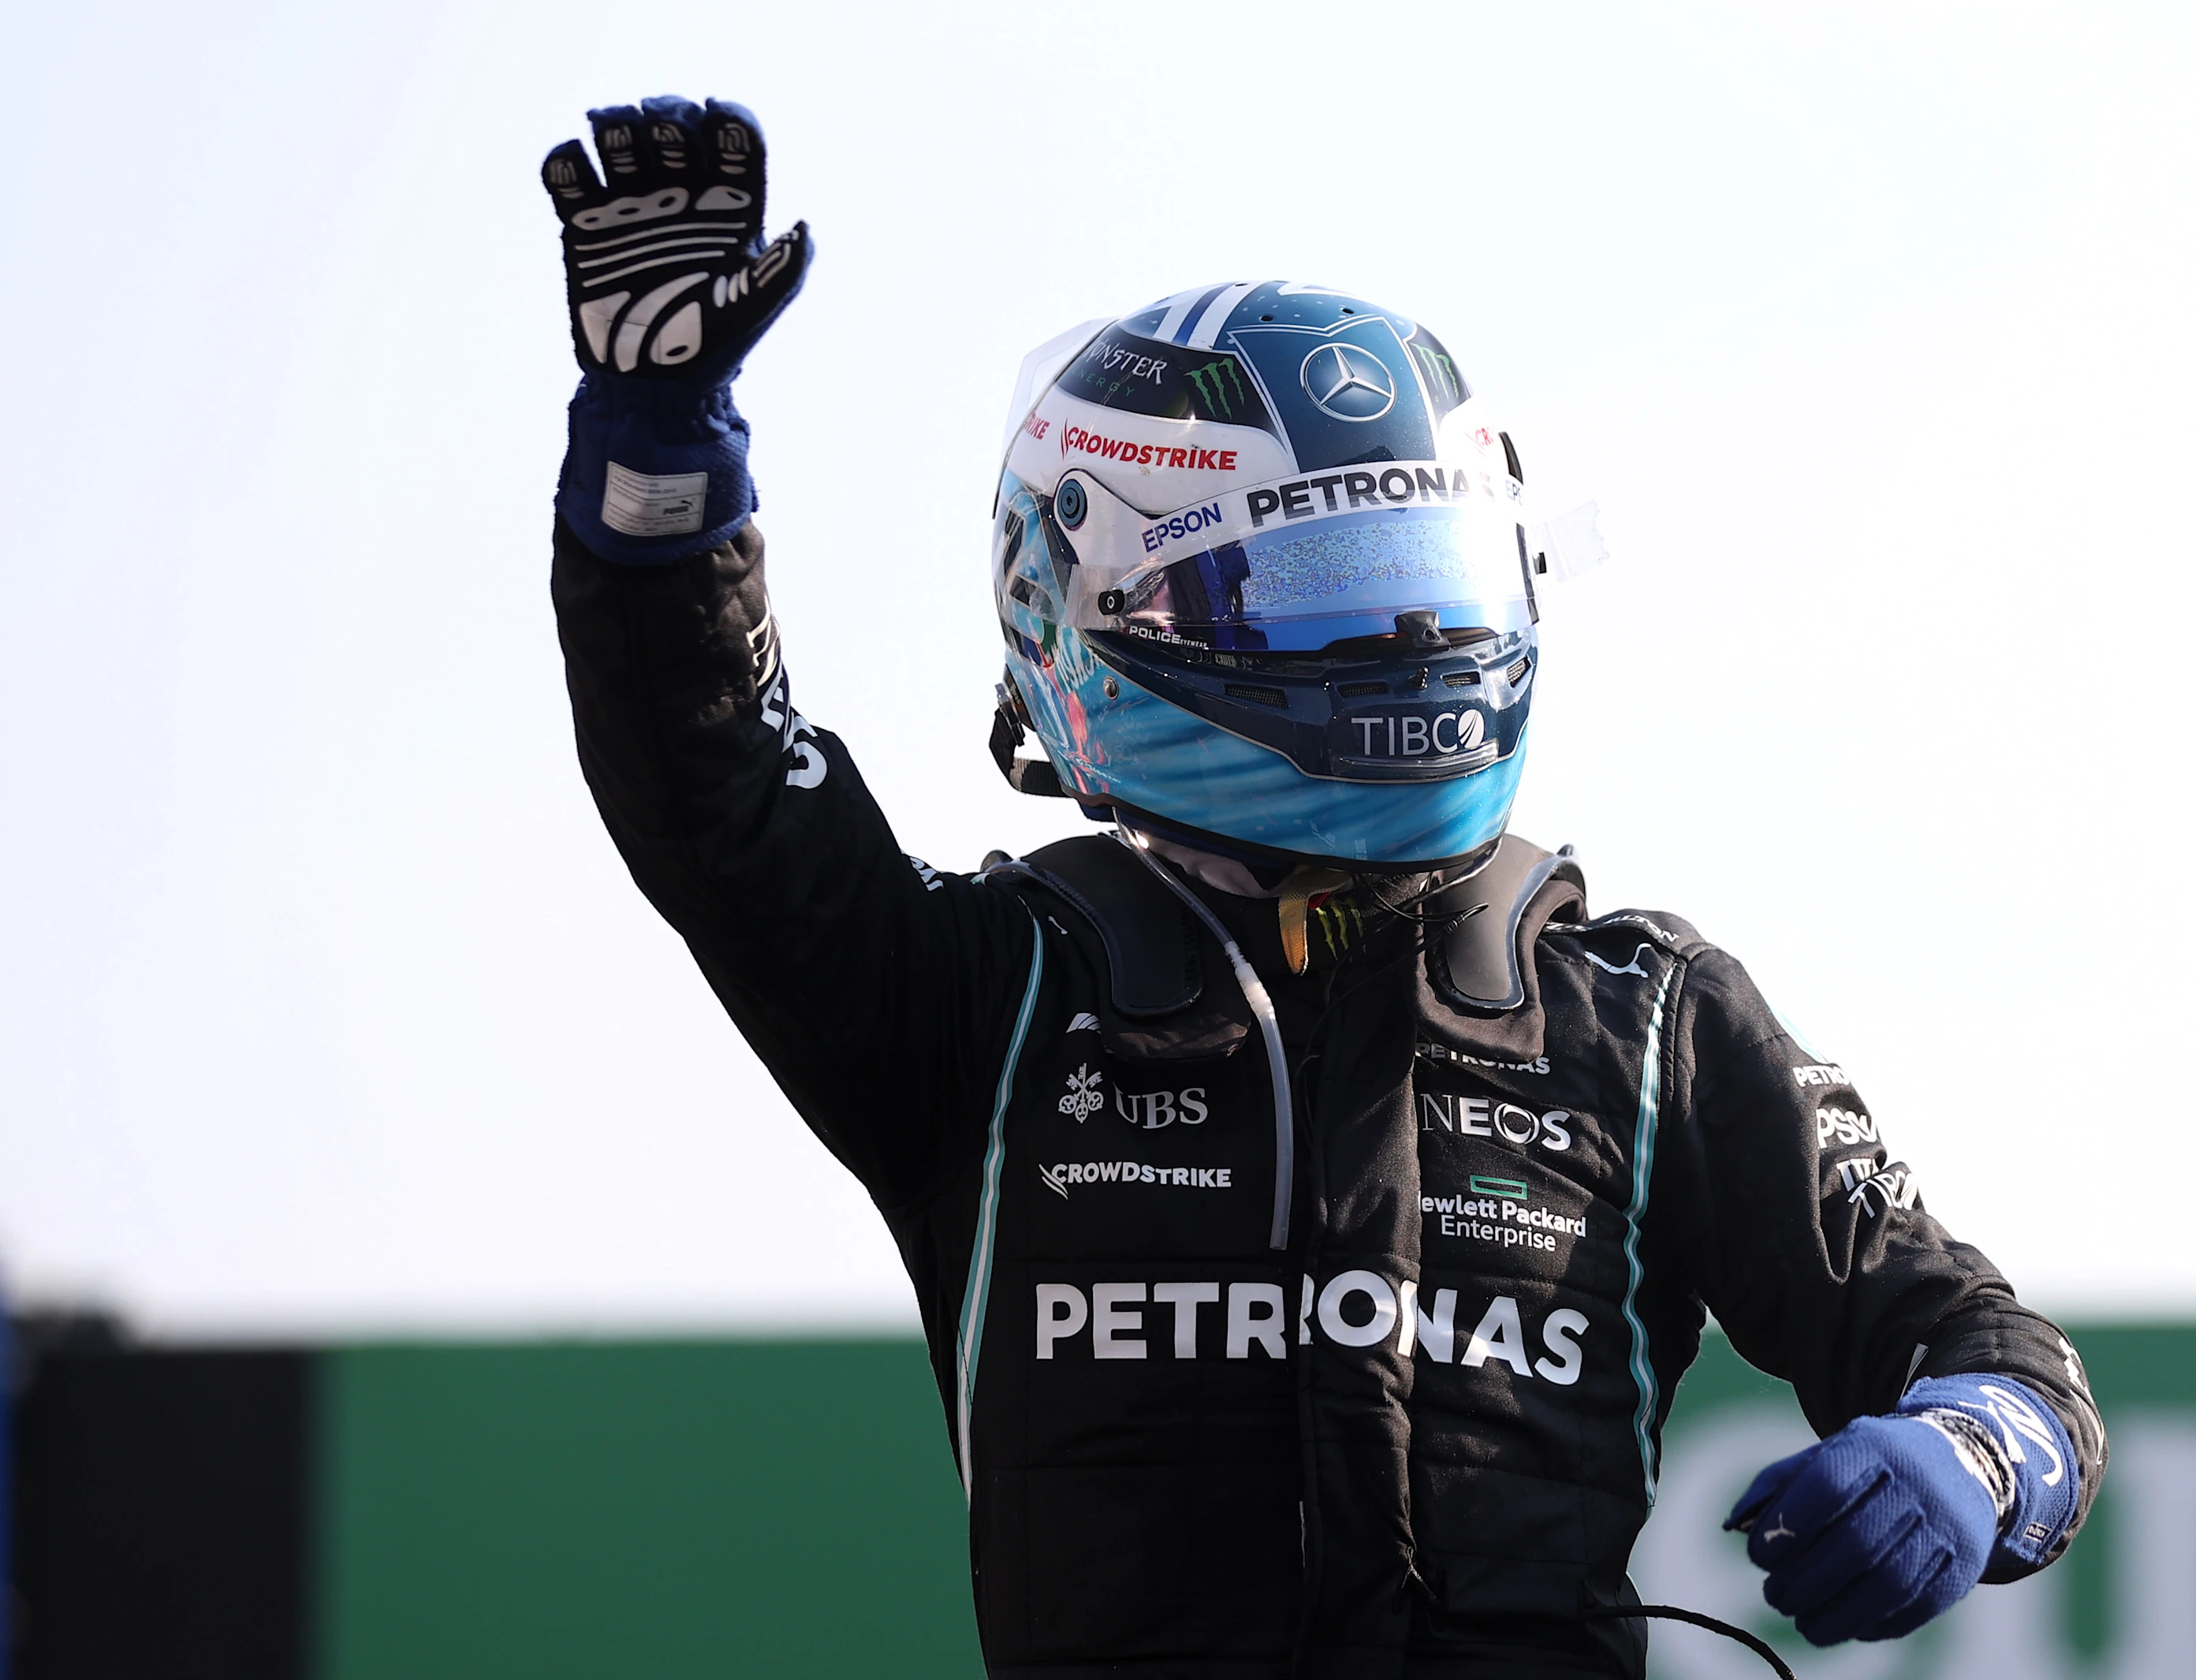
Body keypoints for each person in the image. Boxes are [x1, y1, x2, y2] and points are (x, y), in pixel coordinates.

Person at [542, 95, 2107, 1680]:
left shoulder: (1642, 1028)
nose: (1403, 647)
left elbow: (1999, 1358)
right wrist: (661, 466)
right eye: (1312, 591)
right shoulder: (993, 1002)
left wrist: (1964, 1456)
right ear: (1085, 607)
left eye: (1423, 585)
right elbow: (716, 789)